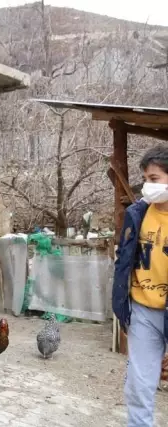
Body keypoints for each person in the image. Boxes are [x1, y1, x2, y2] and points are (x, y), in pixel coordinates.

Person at [113, 145, 168, 427]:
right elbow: (124, 257)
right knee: (139, 386)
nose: (148, 185)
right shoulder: (138, 214)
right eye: (146, 178)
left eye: (154, 179)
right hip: (143, 310)